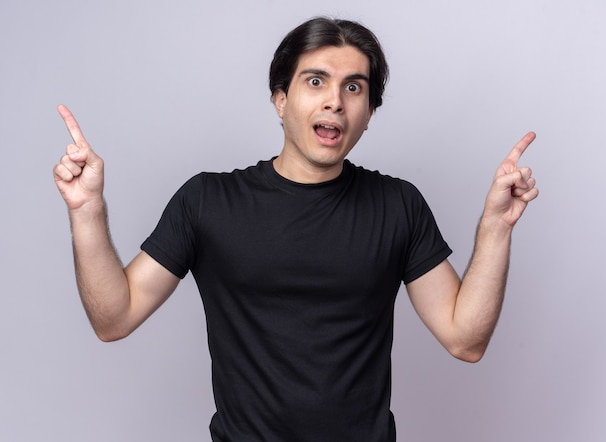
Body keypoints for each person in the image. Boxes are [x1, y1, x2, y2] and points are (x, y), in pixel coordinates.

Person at [53, 17, 538, 442]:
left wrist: (496, 227)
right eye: (315, 81)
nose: (335, 102)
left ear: (369, 114)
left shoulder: (398, 205)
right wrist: (87, 210)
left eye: (354, 87)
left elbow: (465, 340)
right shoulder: (207, 201)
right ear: (281, 100)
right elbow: (113, 319)